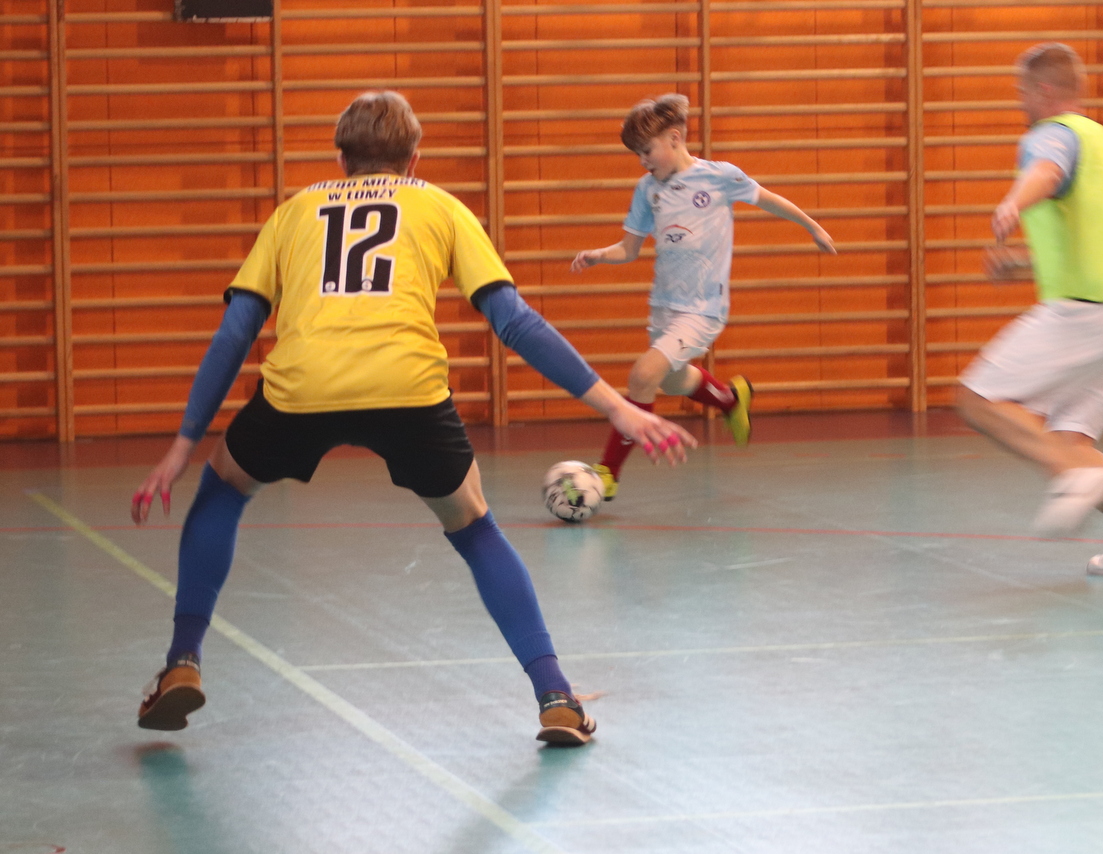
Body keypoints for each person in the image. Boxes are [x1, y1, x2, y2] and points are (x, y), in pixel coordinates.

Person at [130, 91, 696, 746]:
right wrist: (617, 407)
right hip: (407, 389)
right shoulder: (441, 206)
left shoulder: (293, 212)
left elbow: (235, 333)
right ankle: (555, 696)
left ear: (341, 159)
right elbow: (515, 323)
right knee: (475, 528)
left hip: (303, 387)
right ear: (414, 158)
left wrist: (183, 444)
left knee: (224, 487)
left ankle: (183, 660)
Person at [954, 43, 1103, 576]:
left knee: (976, 399)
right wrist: (1022, 266)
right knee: (1069, 440)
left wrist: (1014, 201)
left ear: (1044, 90)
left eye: (1022, 92)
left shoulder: (1050, 134)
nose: (1019, 102)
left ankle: (1069, 474)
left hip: (1087, 316)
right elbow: (1089, 242)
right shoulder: (1102, 143)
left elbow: (1048, 170)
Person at [570, 93, 836, 500]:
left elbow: (770, 200)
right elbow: (629, 248)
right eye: (637, 154)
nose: (642, 161)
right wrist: (599, 256)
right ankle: (730, 399)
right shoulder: (647, 190)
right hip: (664, 305)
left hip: (703, 308)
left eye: (647, 151)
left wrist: (812, 227)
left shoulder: (718, 177)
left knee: (643, 376)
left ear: (675, 139)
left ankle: (607, 472)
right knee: (674, 381)